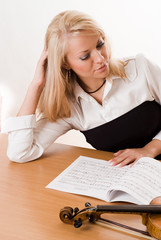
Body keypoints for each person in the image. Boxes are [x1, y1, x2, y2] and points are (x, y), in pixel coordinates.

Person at [2, 10, 161, 166]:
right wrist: (35, 85)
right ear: (65, 64)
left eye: (100, 45)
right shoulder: (68, 106)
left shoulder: (140, 69)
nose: (100, 59)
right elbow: (20, 152)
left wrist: (149, 150)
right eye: (85, 56)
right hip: (130, 180)